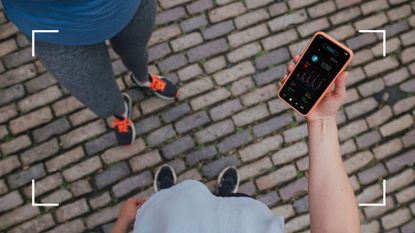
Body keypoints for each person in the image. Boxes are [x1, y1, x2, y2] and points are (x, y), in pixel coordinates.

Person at [111, 55, 361, 233]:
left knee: (173, 200)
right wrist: (322, 121)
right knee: (236, 202)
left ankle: (167, 194)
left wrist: (122, 225)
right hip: (241, 220)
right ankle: (224, 196)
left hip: (167, 219)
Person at [2, 0, 178, 145]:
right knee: (97, 94)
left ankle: (143, 79)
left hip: (127, 6)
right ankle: (120, 112)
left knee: (137, 53)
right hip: (54, 30)